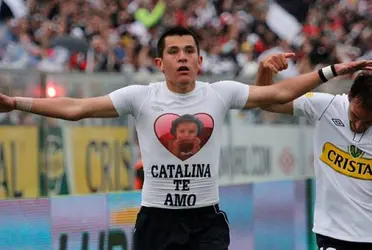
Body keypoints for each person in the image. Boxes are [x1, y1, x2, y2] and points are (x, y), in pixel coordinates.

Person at [0, 26, 370, 250]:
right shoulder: (140, 96)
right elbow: (75, 108)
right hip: (156, 222)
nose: (182, 58)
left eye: (189, 51)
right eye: (173, 52)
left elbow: (277, 95)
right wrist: (16, 101)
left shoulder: (220, 93)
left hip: (205, 222)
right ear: (160, 63)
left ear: (200, 61)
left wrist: (332, 70)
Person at [255, 63, 372, 249]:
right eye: (355, 116)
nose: (358, 126)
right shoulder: (327, 106)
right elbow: (267, 101)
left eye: (367, 122)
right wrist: (264, 71)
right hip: (333, 234)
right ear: (349, 95)